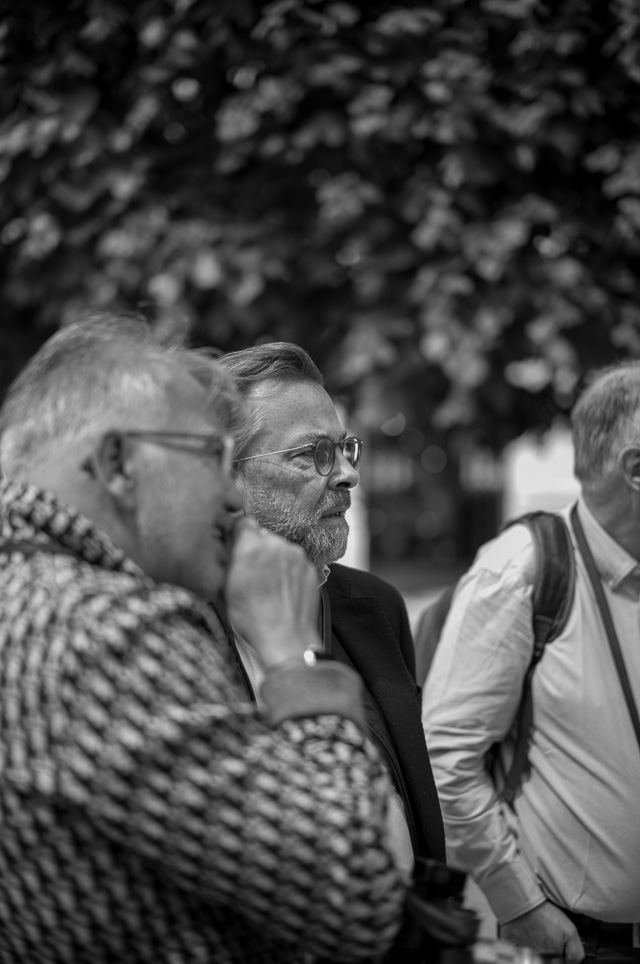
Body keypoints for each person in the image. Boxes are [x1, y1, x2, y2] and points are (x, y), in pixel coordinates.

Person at [0, 317, 407, 964]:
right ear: (116, 465)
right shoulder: (107, 631)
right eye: (207, 458)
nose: (227, 492)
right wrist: (293, 657)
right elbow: (357, 892)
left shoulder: (29, 589)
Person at [422, 362, 640, 962]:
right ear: (636, 470)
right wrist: (519, 904)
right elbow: (447, 757)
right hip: (578, 942)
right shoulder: (521, 568)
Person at [217, 342, 445, 877]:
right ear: (225, 476)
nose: (347, 474)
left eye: (346, 448)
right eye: (312, 454)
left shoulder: (375, 609)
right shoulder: (170, 627)